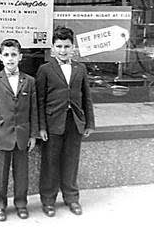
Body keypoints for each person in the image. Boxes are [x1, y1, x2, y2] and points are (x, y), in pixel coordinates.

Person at [36, 26, 95, 217]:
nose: (63, 50)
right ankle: (48, 200)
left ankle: (71, 198)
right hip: (53, 123)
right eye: (59, 46)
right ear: (52, 48)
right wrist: (42, 127)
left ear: (73, 47)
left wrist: (89, 123)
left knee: (71, 161)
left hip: (75, 122)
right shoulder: (45, 69)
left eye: (67, 46)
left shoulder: (80, 68)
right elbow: (40, 100)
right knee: (50, 162)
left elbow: (86, 97)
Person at [0, 39, 38, 221]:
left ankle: (21, 203)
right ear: (0, 57)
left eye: (13, 54)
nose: (10, 58)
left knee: (22, 173)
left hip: (22, 134)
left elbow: (34, 109)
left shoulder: (29, 81)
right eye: (6, 55)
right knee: (0, 174)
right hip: (1, 134)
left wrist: (33, 134)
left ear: (20, 57)